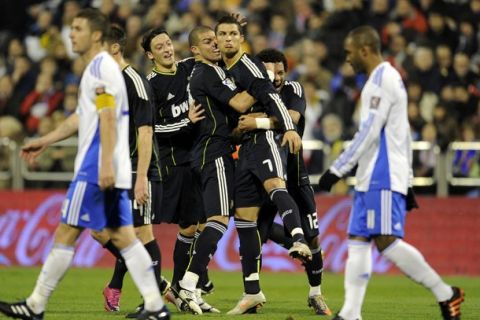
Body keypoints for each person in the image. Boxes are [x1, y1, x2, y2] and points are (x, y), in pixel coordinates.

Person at [0, 8, 169, 320]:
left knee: (67, 231)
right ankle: (156, 306)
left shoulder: (101, 68)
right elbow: (83, 116)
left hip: (95, 166)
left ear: (95, 35)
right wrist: (47, 139)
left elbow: (106, 115)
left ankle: (35, 304)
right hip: (112, 165)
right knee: (125, 238)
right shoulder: (101, 67)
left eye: (77, 28)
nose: (71, 34)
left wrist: (103, 164)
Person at [317, 25, 465, 320]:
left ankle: (446, 293)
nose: (347, 59)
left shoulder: (382, 79)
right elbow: (402, 134)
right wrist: (407, 179)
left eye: (349, 53)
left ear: (364, 49)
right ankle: (350, 313)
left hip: (381, 175)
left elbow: (370, 131)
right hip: (371, 176)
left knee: (386, 240)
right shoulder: (381, 79)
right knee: (358, 240)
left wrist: (337, 168)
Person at [214, 15, 311, 315]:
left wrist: (289, 129)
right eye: (223, 34)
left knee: (275, 187)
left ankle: (298, 239)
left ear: (241, 38)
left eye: (234, 33)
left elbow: (273, 99)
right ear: (216, 39)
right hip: (243, 151)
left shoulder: (249, 66)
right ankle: (252, 292)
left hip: (265, 141)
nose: (228, 39)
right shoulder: (221, 70)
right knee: (245, 221)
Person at [238, 48, 331, 316]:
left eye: (280, 72)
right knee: (256, 233)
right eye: (269, 72)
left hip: (295, 175)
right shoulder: (253, 92)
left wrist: (257, 122)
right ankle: (252, 294)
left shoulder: (294, 89)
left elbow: (291, 118)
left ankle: (316, 293)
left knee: (313, 239)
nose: (276, 77)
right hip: (264, 174)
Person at [87, 24, 169, 316]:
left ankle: (153, 302)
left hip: (138, 169)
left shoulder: (134, 80)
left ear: (114, 48)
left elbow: (146, 132)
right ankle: (154, 284)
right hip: (116, 168)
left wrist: (142, 177)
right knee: (99, 230)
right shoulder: (108, 81)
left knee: (141, 233)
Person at [176, 25, 256, 315]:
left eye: (217, 39)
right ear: (195, 50)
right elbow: (239, 102)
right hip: (215, 152)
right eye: (208, 41)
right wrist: (263, 80)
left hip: (204, 152)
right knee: (220, 220)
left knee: (204, 225)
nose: (216, 45)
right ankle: (188, 283)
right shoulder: (207, 73)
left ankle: (192, 289)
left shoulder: (205, 72)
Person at [140, 27, 210, 313]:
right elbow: (154, 128)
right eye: (160, 47)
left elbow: (208, 49)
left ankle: (186, 288)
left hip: (197, 159)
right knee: (152, 229)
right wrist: (188, 123)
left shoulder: (188, 67)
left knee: (196, 226)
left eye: (168, 43)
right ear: (150, 55)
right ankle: (172, 289)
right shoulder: (150, 84)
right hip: (173, 164)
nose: (168, 49)